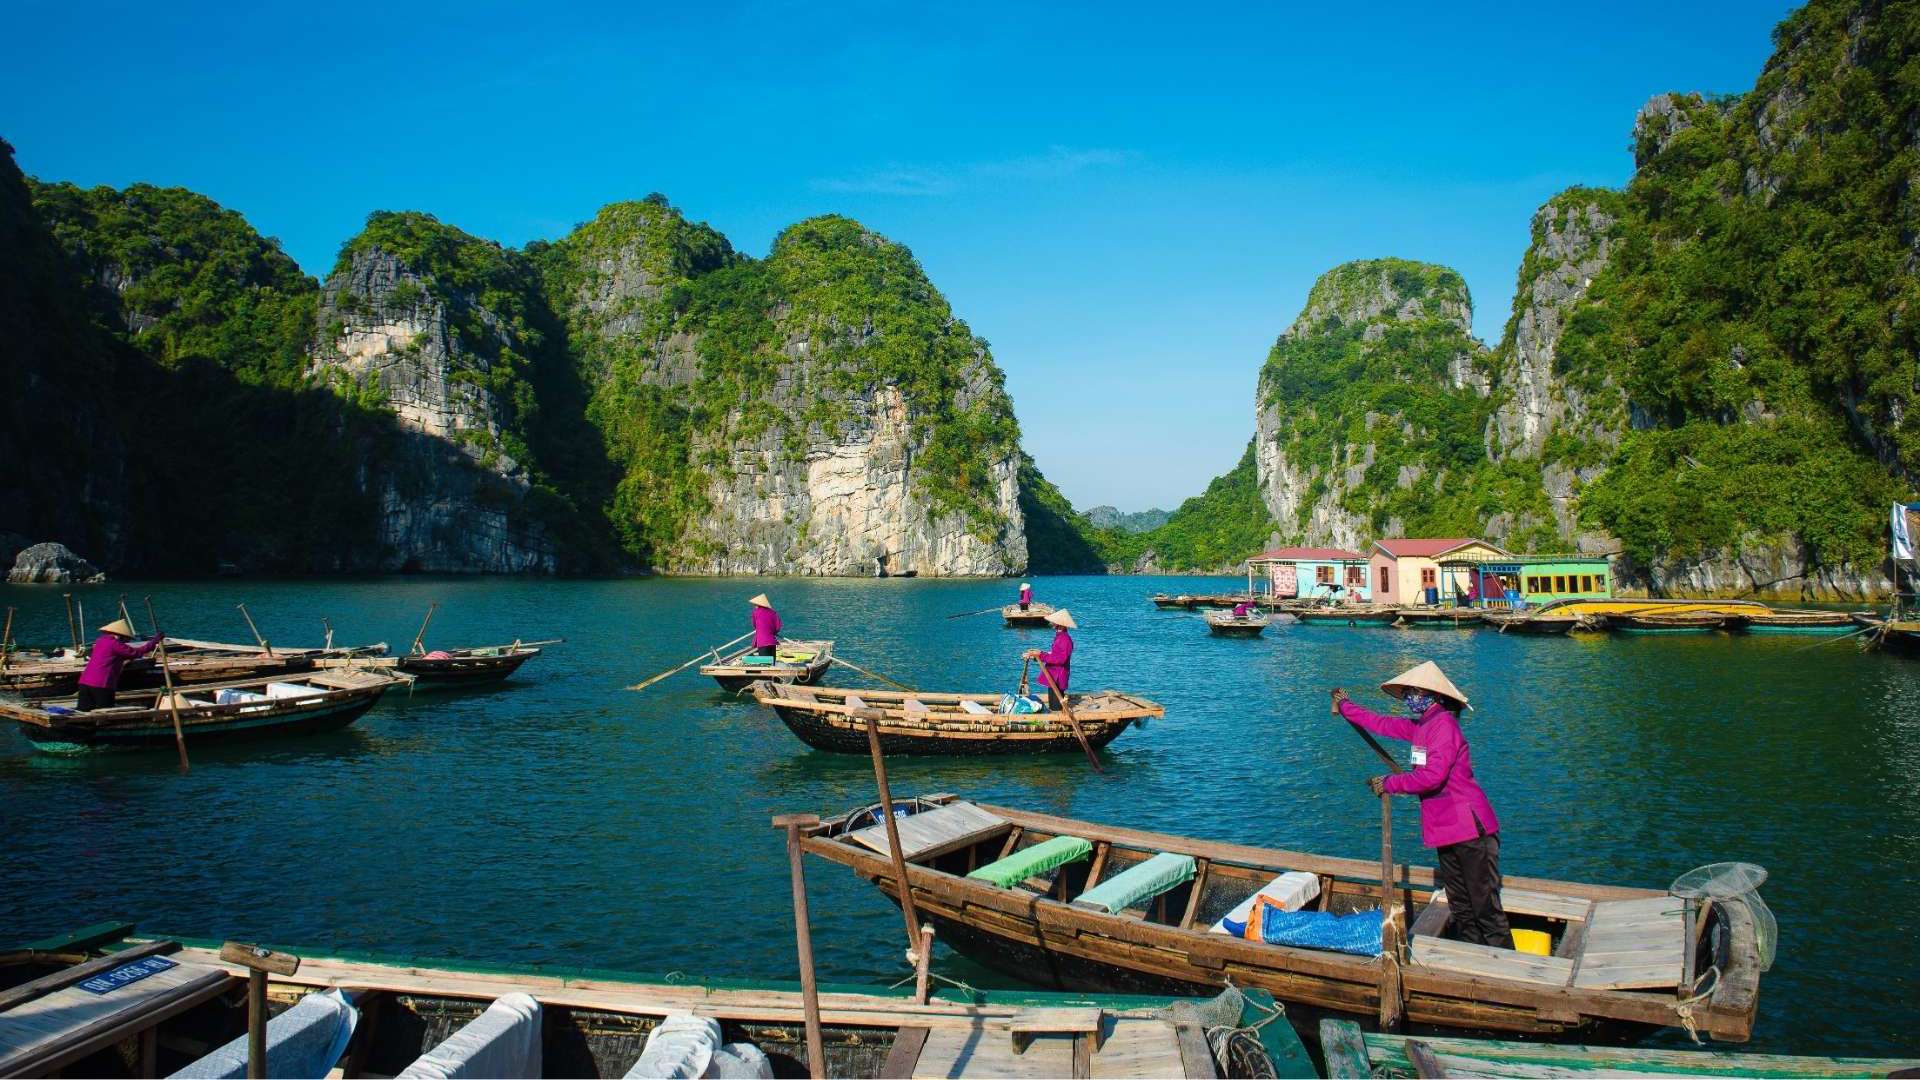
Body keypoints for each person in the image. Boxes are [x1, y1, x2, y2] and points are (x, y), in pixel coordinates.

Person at [1330, 661, 1512, 949]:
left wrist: (1390, 783)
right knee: (1461, 904)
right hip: (1447, 829)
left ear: (1433, 695)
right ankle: (1473, 957)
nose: (1409, 698)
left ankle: (1505, 962)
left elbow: (1432, 776)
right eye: (1408, 693)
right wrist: (1346, 706)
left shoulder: (1444, 726)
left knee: (1483, 905)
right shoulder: (1422, 726)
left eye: (1414, 692)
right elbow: (1380, 723)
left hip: (1470, 828)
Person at [77, 618, 163, 712]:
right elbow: (136, 653)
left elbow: (112, 655)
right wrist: (154, 642)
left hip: (85, 681)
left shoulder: (100, 641)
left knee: (83, 710)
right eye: (126, 638)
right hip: (101, 683)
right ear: (119, 636)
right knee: (105, 711)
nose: (126, 641)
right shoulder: (115, 644)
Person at [1022, 609, 1076, 709]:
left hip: (1058, 677)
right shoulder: (1059, 636)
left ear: (1060, 624)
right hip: (1053, 675)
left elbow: (1060, 659)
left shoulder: (1065, 639)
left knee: (1056, 707)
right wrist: (1036, 655)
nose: (1052, 623)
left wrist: (1041, 655)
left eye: (1054, 621)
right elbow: (1054, 654)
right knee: (1053, 705)